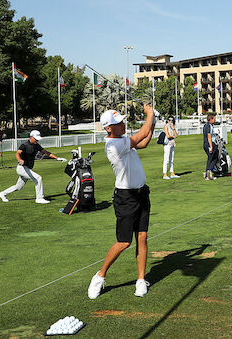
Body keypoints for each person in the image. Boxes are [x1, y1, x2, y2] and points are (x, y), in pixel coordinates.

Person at [87, 105, 155, 299]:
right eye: (118, 123)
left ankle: (141, 280)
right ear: (109, 128)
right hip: (126, 198)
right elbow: (141, 134)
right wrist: (149, 115)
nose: (123, 124)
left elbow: (143, 142)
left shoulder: (123, 141)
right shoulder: (113, 145)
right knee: (124, 242)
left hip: (142, 194)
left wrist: (153, 124)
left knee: (142, 238)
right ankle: (100, 276)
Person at [0, 130, 66, 204]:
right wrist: (20, 159)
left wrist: (57, 158)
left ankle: (2, 194)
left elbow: (46, 152)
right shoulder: (24, 145)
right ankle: (39, 198)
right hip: (22, 168)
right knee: (38, 178)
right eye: (36, 139)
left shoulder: (36, 145)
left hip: (27, 169)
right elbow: (17, 153)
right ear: (31, 137)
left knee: (18, 187)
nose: (37, 140)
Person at [202, 113, 217, 181]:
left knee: (212, 158)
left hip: (206, 144)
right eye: (214, 119)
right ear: (211, 119)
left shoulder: (207, 125)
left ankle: (208, 172)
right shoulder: (208, 126)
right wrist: (211, 146)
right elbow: (209, 136)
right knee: (212, 158)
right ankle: (208, 172)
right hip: (209, 144)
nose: (215, 120)